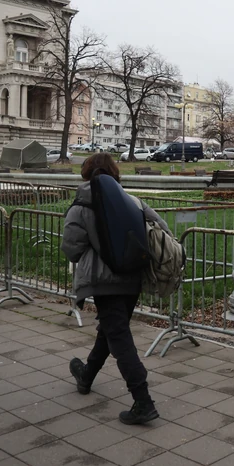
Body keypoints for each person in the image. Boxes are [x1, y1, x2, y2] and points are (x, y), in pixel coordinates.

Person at [60, 153, 171, 425]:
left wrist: (92, 258)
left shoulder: (81, 204)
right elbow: (162, 229)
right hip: (133, 277)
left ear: (86, 174)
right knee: (112, 329)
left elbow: (71, 247)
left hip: (102, 281)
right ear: (115, 173)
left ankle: (142, 400)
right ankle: (86, 375)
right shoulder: (132, 201)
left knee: (119, 337)